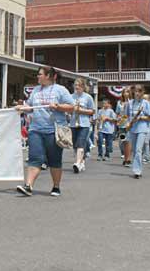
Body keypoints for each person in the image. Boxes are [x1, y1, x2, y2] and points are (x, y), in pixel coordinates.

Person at [15, 66, 74, 197]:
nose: (37, 76)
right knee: (35, 158)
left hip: (54, 130)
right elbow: (30, 107)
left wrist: (58, 107)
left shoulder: (60, 90)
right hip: (36, 129)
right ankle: (28, 186)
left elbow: (72, 107)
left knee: (54, 160)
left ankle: (56, 186)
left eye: (40, 74)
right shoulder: (36, 90)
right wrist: (22, 107)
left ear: (48, 76)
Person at [123, 85, 150, 179]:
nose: (137, 93)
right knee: (134, 150)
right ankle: (137, 167)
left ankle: (137, 170)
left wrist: (141, 117)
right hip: (132, 129)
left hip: (142, 128)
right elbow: (126, 116)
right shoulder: (130, 103)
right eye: (136, 91)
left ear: (142, 92)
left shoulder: (145, 103)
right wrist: (127, 124)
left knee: (138, 149)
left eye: (139, 91)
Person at [69, 78, 95, 174]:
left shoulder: (88, 97)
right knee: (75, 144)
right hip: (73, 124)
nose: (77, 87)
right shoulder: (71, 97)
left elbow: (92, 111)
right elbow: (68, 109)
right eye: (75, 85)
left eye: (79, 85)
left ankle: (77, 163)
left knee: (81, 143)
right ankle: (82, 161)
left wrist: (81, 110)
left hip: (84, 124)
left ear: (83, 86)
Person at [116, 87, 132, 166]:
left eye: (128, 92)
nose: (126, 94)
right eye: (125, 92)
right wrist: (118, 119)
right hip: (121, 125)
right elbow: (118, 113)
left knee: (128, 141)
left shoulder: (131, 102)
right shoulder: (119, 102)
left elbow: (130, 114)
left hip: (128, 124)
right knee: (123, 141)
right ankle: (125, 157)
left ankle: (128, 159)